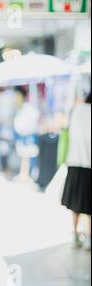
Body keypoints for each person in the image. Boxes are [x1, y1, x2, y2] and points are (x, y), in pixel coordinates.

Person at [61, 89, 91, 251]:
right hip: (89, 165)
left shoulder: (78, 110)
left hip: (74, 161)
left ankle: (74, 233)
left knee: (76, 203)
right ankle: (89, 238)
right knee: (89, 204)